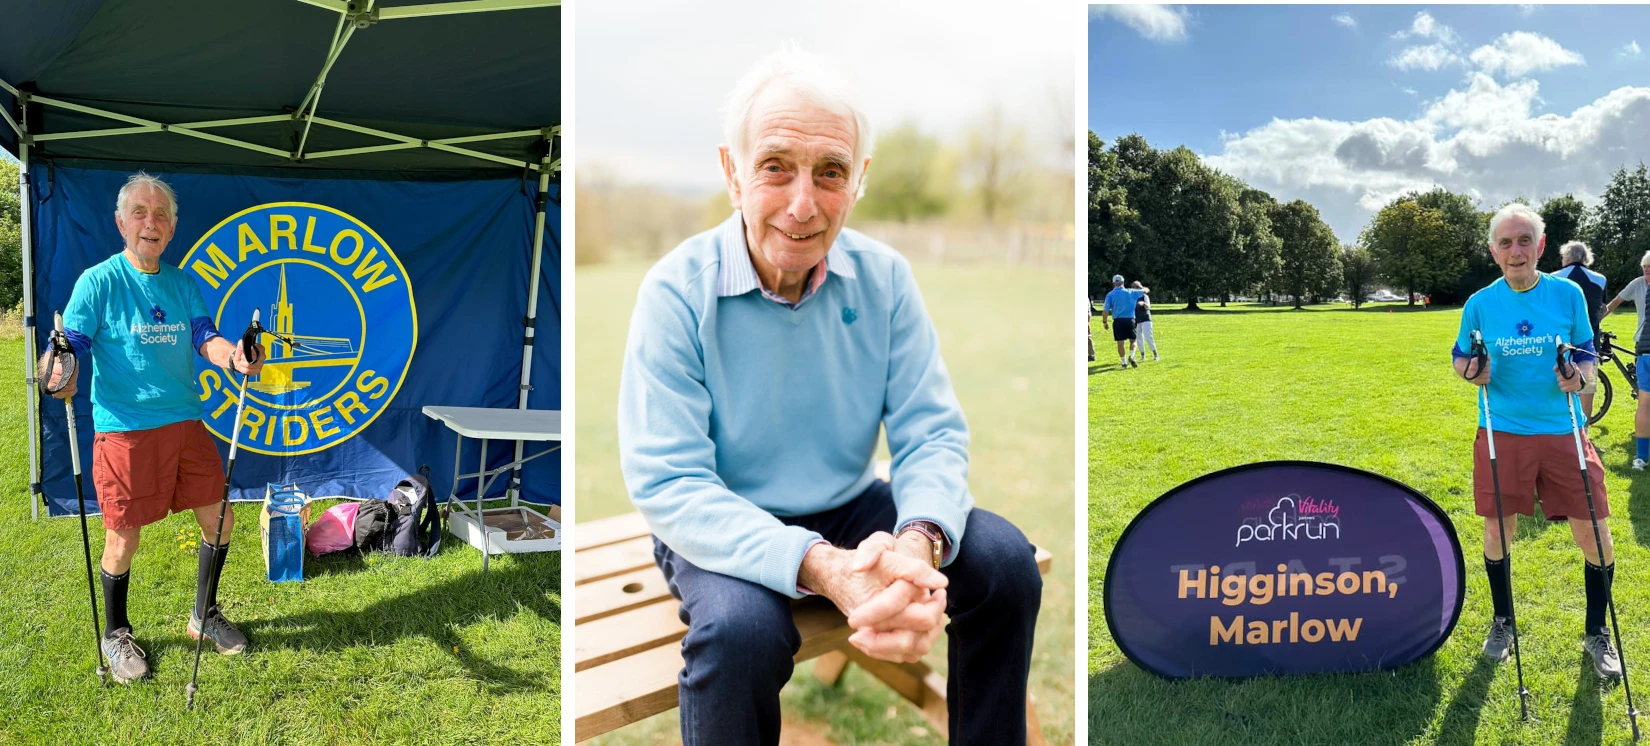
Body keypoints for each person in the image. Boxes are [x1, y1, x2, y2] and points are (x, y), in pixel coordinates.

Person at [616, 45, 1042, 746]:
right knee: (741, 632)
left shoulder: (887, 278)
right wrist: (821, 564)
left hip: (850, 499)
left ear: (860, 179)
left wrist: (917, 541)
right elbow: (670, 482)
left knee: (1004, 563)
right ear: (732, 172)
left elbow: (930, 432)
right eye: (775, 166)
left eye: (831, 173)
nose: (803, 203)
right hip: (720, 515)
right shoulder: (674, 290)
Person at [40, 172, 266, 685]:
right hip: (125, 428)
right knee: (123, 541)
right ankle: (116, 633)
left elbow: (204, 339)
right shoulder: (98, 282)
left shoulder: (183, 283)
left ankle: (202, 616)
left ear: (174, 226)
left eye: (161, 213)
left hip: (186, 422)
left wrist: (235, 356)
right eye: (140, 212)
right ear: (121, 223)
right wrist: (58, 369)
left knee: (222, 522)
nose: (151, 222)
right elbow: (69, 346)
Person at [1452, 203, 1619, 679]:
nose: (1516, 250)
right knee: (1498, 531)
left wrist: (1580, 377)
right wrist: (1471, 372)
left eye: (1525, 240)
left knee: (1596, 535)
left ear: (1541, 246)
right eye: (1506, 242)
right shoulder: (1480, 303)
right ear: (1493, 251)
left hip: (1564, 431)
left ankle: (1595, 632)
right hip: (1502, 431)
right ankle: (1503, 623)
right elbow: (1462, 357)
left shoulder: (1566, 295)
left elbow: (1587, 354)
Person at [1602, 251, 1650, 469]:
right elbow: (1615, 302)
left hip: (1645, 347)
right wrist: (1596, 321)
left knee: (1644, 401)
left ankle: (1641, 455)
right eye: (1645, 267)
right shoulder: (1638, 284)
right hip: (1643, 343)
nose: (1647, 271)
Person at [1554, 241, 1609, 419]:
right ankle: (1584, 435)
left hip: (1559, 341)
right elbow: (1603, 307)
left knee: (1557, 389)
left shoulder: (1554, 278)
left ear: (1566, 257)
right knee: (1587, 389)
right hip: (1589, 341)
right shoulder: (1600, 279)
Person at [1100, 274, 1148, 368]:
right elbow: (1146, 290)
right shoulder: (1131, 292)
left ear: (1113, 283)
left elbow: (1105, 310)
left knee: (1120, 343)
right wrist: (1142, 287)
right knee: (1133, 341)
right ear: (1123, 282)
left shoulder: (1110, 295)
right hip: (1130, 320)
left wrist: (1105, 322)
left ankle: (1124, 362)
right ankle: (1132, 355)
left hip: (1118, 321)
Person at [1129, 280, 1159, 363]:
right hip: (1136, 320)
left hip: (1146, 318)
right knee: (1138, 338)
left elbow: (1148, 307)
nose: (1135, 289)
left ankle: (1155, 354)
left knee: (1148, 337)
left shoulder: (1144, 296)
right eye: (1134, 287)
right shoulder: (1132, 297)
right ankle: (1143, 355)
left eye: (1137, 287)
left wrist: (1143, 304)